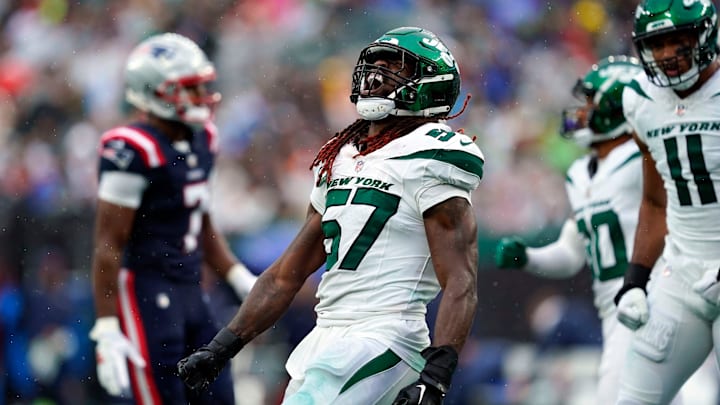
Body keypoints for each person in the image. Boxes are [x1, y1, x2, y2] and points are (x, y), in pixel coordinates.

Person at [177, 26, 485, 404]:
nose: (376, 76)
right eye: (374, 65)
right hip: (327, 335)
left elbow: (461, 279)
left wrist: (436, 375)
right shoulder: (341, 156)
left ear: (430, 84)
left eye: (394, 67)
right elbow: (285, 274)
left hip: (385, 334)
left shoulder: (433, 154)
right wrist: (223, 346)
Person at [89, 32, 257, 404]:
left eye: (201, 87)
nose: (201, 98)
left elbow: (201, 221)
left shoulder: (204, 138)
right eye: (189, 89)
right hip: (147, 292)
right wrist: (106, 327)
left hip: (192, 287)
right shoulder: (131, 148)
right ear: (153, 91)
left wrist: (237, 275)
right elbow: (108, 244)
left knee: (219, 394)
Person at [495, 55, 654, 405]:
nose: (583, 110)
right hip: (615, 310)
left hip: (656, 297)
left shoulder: (646, 159)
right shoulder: (582, 173)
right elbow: (571, 254)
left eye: (593, 102)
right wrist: (529, 256)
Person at [612, 0, 720, 403]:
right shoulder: (641, 100)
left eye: (679, 41)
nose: (667, 55)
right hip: (682, 275)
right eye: (657, 44)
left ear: (705, 34)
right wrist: (635, 280)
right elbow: (656, 202)